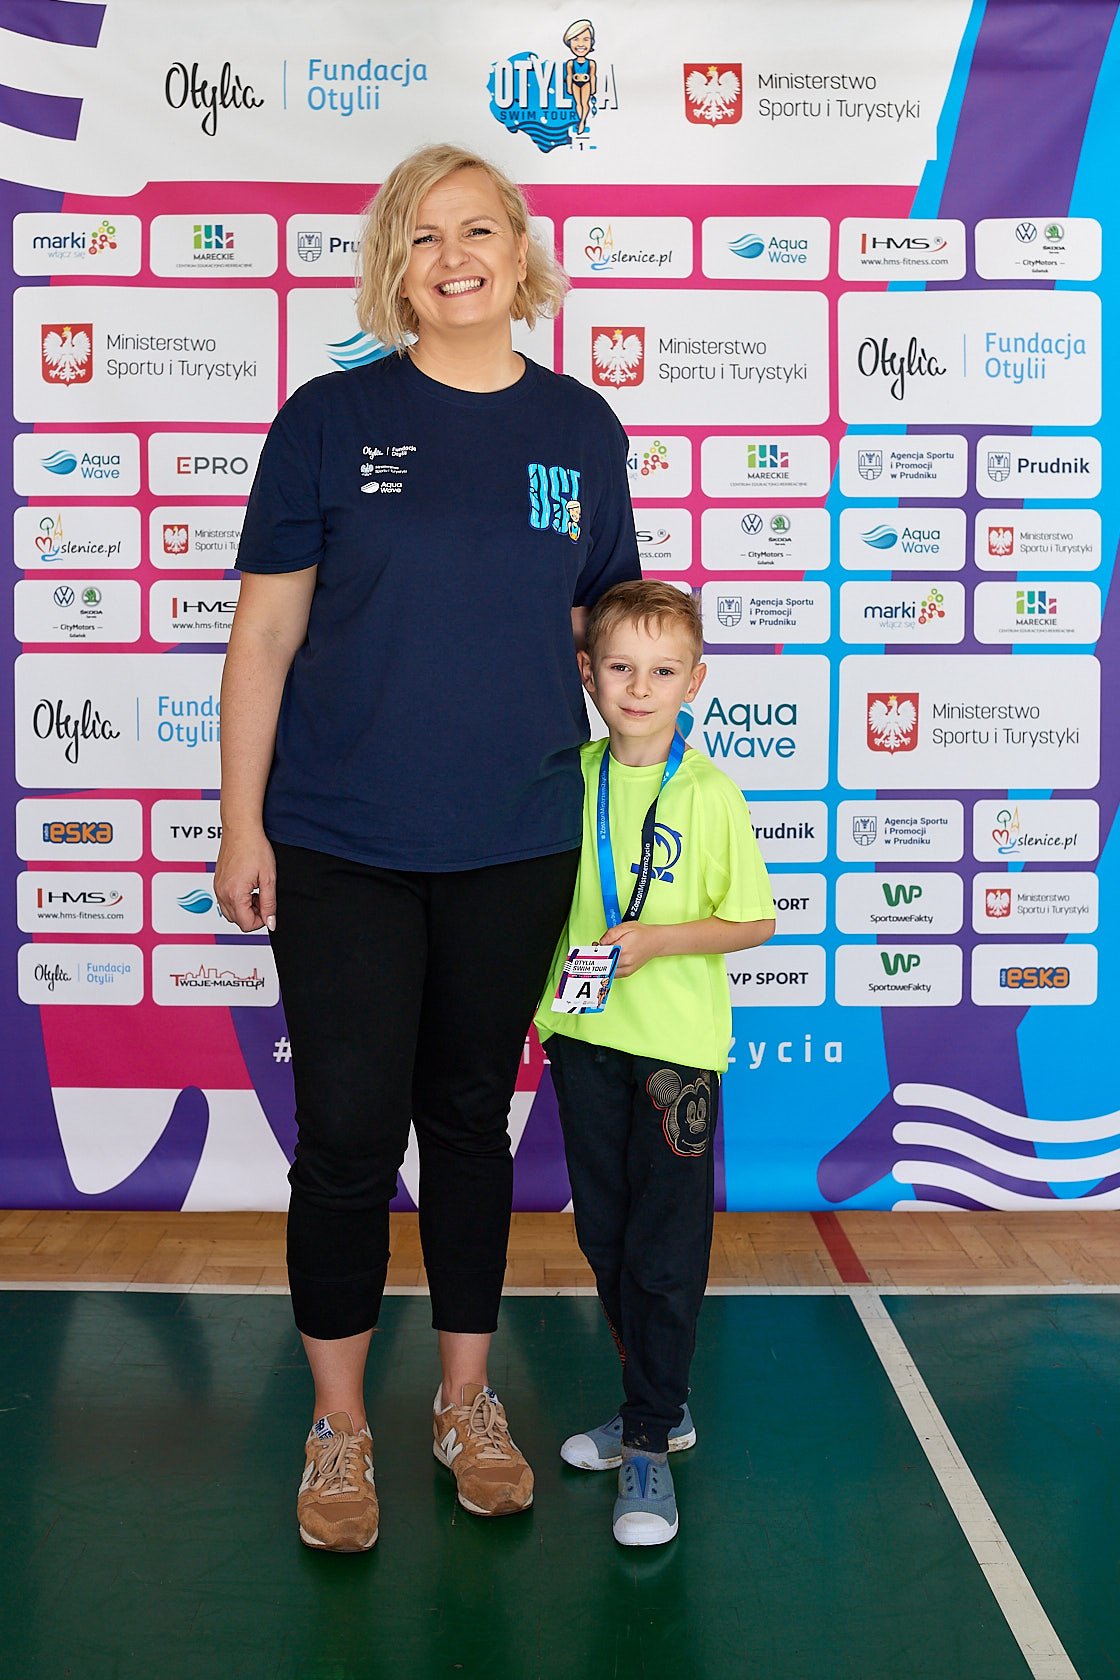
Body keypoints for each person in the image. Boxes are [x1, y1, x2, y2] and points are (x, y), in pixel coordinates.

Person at [214, 143, 641, 1553]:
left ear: (520, 250)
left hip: (514, 838)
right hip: (341, 841)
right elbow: (265, 639)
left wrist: (658, 790)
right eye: (421, 237)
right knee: (345, 1137)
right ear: (393, 271)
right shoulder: (329, 419)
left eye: (476, 231)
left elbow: (600, 629)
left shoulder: (580, 427)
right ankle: (339, 1425)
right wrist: (241, 822)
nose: (452, 258)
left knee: (467, 1121)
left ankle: (467, 1402)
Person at [535, 581, 775, 1546]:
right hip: (583, 1038)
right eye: (621, 668)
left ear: (695, 681)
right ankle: (656, 1407)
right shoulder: (567, 777)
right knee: (606, 1239)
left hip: (676, 1054)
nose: (640, 688)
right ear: (588, 673)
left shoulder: (709, 794)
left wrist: (661, 942)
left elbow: (753, 921)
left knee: (666, 1254)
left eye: (663, 671)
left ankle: (647, 1442)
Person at [563, 18, 597, 136]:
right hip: (575, 84)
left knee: (585, 103)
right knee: (578, 103)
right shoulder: (570, 63)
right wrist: (569, 87)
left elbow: (593, 76)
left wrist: (593, 88)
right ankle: (580, 119)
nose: (581, 44)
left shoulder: (591, 63)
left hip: (586, 84)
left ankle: (582, 121)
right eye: (576, 39)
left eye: (586, 39)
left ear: (591, 42)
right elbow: (569, 76)